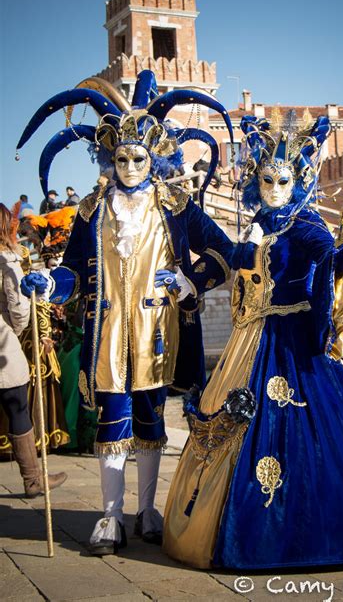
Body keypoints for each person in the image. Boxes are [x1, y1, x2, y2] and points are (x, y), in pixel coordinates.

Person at [163, 112, 343, 570]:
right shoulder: (258, 225)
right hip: (253, 339)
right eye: (267, 179)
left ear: (298, 181)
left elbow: (331, 260)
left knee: (314, 438)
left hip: (296, 341)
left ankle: (316, 532)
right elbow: (231, 260)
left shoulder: (306, 226)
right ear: (257, 181)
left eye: (283, 180)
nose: (274, 188)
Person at [18, 70, 235, 556]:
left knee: (150, 422)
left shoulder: (177, 206)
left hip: (158, 334)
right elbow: (73, 269)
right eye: (122, 157)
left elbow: (224, 253)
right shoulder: (92, 209)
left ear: (153, 156)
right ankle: (111, 516)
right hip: (107, 334)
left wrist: (188, 282)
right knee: (112, 423)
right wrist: (50, 283)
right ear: (109, 157)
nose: (131, 165)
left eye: (139, 157)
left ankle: (147, 510)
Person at [0, 203, 67, 496]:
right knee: (18, 406)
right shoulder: (7, 260)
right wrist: (12, 334)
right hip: (2, 343)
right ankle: (32, 479)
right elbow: (19, 312)